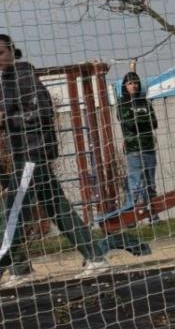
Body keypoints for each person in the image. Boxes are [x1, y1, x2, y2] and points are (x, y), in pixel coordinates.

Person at [0, 34, 109, 286]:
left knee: (14, 211)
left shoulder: (24, 75)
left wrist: (7, 119)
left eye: (1, 53)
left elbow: (44, 110)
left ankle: (13, 266)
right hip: (18, 155)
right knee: (56, 206)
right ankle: (94, 256)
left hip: (32, 153)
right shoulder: (3, 81)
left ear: (12, 52)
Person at [117, 70, 159, 219]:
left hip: (148, 147)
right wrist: (142, 120)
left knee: (150, 184)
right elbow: (128, 122)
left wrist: (139, 120)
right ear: (125, 86)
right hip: (133, 149)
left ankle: (153, 215)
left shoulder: (145, 102)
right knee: (135, 184)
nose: (133, 86)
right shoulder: (122, 103)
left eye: (135, 83)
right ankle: (131, 217)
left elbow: (154, 122)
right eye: (130, 83)